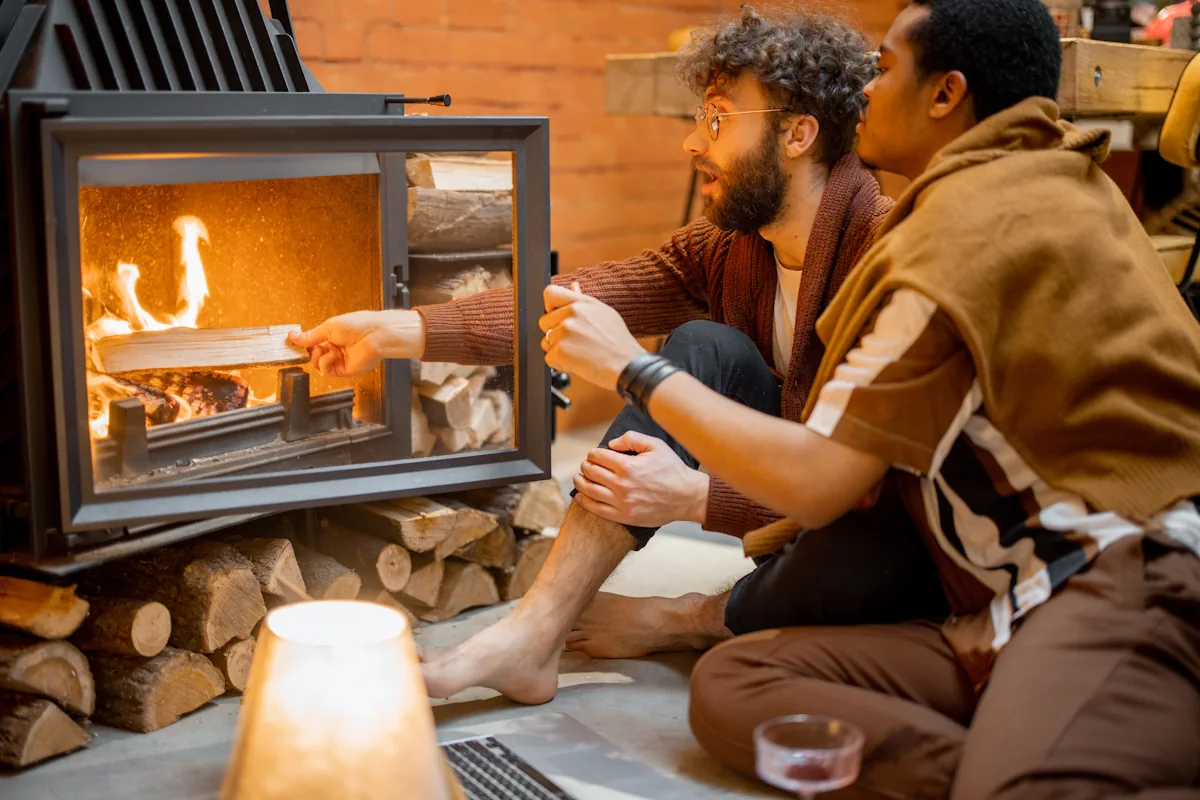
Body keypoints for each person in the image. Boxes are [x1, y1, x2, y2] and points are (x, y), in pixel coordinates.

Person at [539, 0, 1200, 796]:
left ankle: (1049, 757)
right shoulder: (1047, 178)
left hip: (1123, 579)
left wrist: (637, 373)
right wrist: (406, 329)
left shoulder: (955, 239)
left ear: (945, 94)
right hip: (998, 604)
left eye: (883, 68)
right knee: (735, 687)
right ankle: (1044, 747)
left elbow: (822, 482)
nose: (861, 91)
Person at [292, 6, 949, 703]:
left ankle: (686, 616)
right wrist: (394, 332)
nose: (693, 143)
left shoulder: (883, 255)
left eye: (718, 119)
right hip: (798, 514)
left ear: (797, 133)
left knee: (835, 576)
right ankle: (534, 634)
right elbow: (570, 300)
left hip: (889, 536)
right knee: (703, 347)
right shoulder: (728, 248)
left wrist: (699, 497)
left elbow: (868, 496)